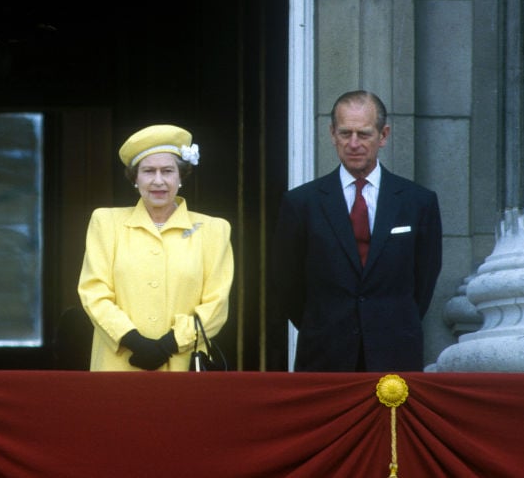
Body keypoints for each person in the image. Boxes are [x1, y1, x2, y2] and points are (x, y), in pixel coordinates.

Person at [272, 90, 443, 372]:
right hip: (324, 354)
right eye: (345, 133)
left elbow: (424, 280)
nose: (353, 144)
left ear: (383, 135)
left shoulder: (418, 202)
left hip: (394, 352)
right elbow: (287, 283)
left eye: (363, 134)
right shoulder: (301, 203)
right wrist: (325, 324)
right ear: (332, 134)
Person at [78, 124, 234, 371]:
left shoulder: (214, 230)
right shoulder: (106, 222)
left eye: (168, 171)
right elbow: (93, 292)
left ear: (180, 177)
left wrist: (169, 344)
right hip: (119, 365)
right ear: (135, 178)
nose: (158, 181)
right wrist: (133, 340)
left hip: (183, 366)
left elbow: (216, 304)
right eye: (149, 171)